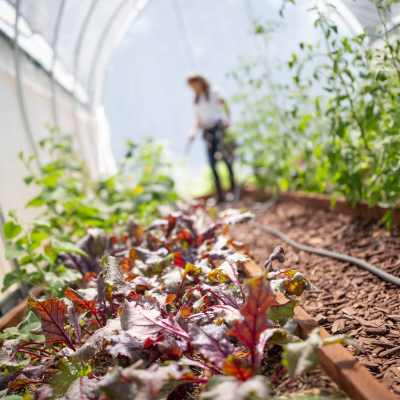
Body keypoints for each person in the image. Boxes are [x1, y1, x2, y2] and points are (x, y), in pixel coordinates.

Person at [187, 74, 236, 203]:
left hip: (219, 128)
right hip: (207, 131)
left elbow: (225, 105)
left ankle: (233, 190)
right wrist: (193, 132)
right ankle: (220, 195)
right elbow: (198, 120)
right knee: (212, 163)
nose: (193, 88)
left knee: (226, 159)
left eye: (194, 84)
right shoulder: (196, 100)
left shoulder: (214, 92)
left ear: (200, 82)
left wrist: (228, 121)